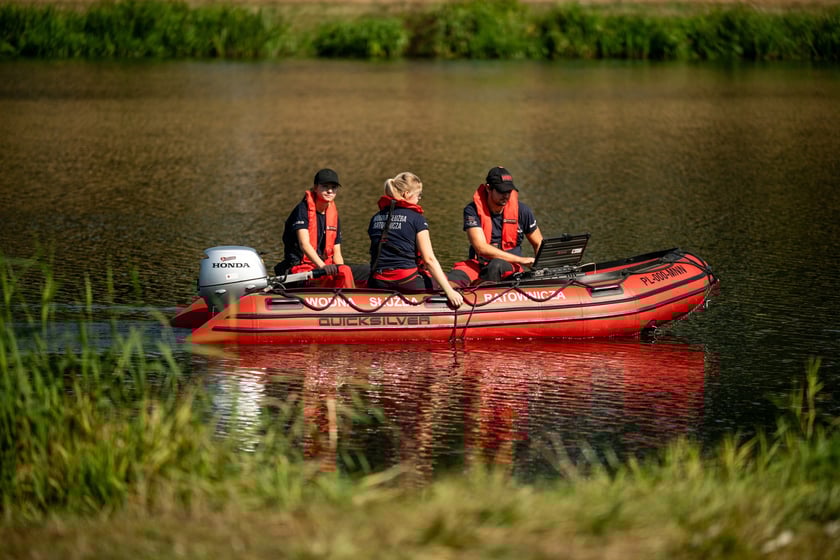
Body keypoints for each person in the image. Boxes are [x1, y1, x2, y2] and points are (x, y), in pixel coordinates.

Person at [368, 172, 464, 308]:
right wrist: (449, 291)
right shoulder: (416, 219)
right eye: (418, 195)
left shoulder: (375, 218)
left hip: (377, 281)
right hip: (405, 280)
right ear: (407, 194)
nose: (419, 199)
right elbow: (429, 259)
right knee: (449, 281)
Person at [276, 168, 369, 288]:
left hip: (325, 268)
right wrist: (323, 266)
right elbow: (304, 244)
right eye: (325, 186)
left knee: (368, 270)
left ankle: (353, 297)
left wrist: (340, 271)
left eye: (334, 187)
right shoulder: (302, 210)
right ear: (315, 188)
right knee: (344, 271)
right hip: (301, 269)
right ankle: (347, 299)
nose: (330, 191)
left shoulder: (333, 214)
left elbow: (337, 253)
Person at [450, 166, 543, 284]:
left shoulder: (523, 211)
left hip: (510, 267)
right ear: (488, 188)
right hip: (479, 264)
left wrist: (540, 271)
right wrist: (522, 260)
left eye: (509, 191)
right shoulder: (472, 210)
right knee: (455, 275)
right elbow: (480, 248)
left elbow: (538, 243)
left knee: (496, 265)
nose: (506, 195)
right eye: (501, 191)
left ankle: (478, 295)